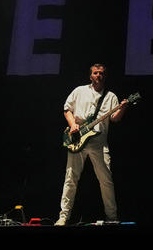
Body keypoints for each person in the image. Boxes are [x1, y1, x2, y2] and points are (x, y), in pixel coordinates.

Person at [55, 64, 129, 226]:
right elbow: (67, 109)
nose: (98, 76)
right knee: (71, 178)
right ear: (90, 76)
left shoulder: (111, 97)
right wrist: (73, 124)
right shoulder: (79, 91)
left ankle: (112, 216)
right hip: (77, 139)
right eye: (95, 73)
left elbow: (115, 119)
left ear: (105, 77)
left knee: (106, 180)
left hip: (99, 142)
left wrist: (122, 109)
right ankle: (63, 216)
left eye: (101, 73)